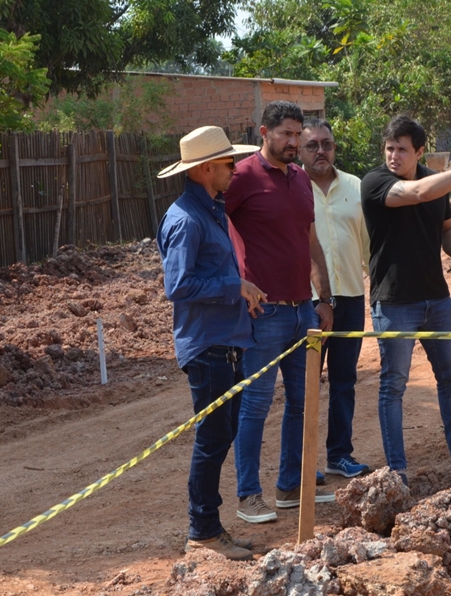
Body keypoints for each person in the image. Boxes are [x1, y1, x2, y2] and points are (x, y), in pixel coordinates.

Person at [361, 115, 451, 484]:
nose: (394, 156)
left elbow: (447, 227)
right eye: (389, 148)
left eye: (402, 150)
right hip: (394, 302)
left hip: (436, 300)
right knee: (394, 385)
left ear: (419, 151)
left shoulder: (435, 183)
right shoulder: (376, 182)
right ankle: (397, 470)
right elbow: (419, 194)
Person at [225, 101, 336, 524]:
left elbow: (310, 242)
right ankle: (248, 495)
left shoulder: (301, 180)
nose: (294, 142)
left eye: (297, 134)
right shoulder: (241, 177)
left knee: (302, 402)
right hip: (264, 314)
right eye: (286, 134)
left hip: (302, 311)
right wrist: (234, 280)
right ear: (264, 132)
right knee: (255, 404)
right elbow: (216, 228)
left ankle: (291, 486)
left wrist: (324, 298)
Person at [156, 126, 264, 560]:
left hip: (225, 341)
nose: (235, 169)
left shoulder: (211, 210)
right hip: (207, 346)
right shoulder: (186, 218)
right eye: (226, 163)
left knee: (221, 435)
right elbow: (178, 285)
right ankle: (202, 531)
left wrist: (240, 288)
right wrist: (233, 285)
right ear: (204, 169)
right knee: (213, 437)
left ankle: (210, 528)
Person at [298, 118, 370, 479]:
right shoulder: (291, 188)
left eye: (326, 143)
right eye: (312, 145)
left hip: (352, 299)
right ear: (300, 150)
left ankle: (338, 455)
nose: (321, 151)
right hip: (308, 304)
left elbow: (369, 245)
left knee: (344, 381)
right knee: (306, 385)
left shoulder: (356, 187)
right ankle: (303, 465)